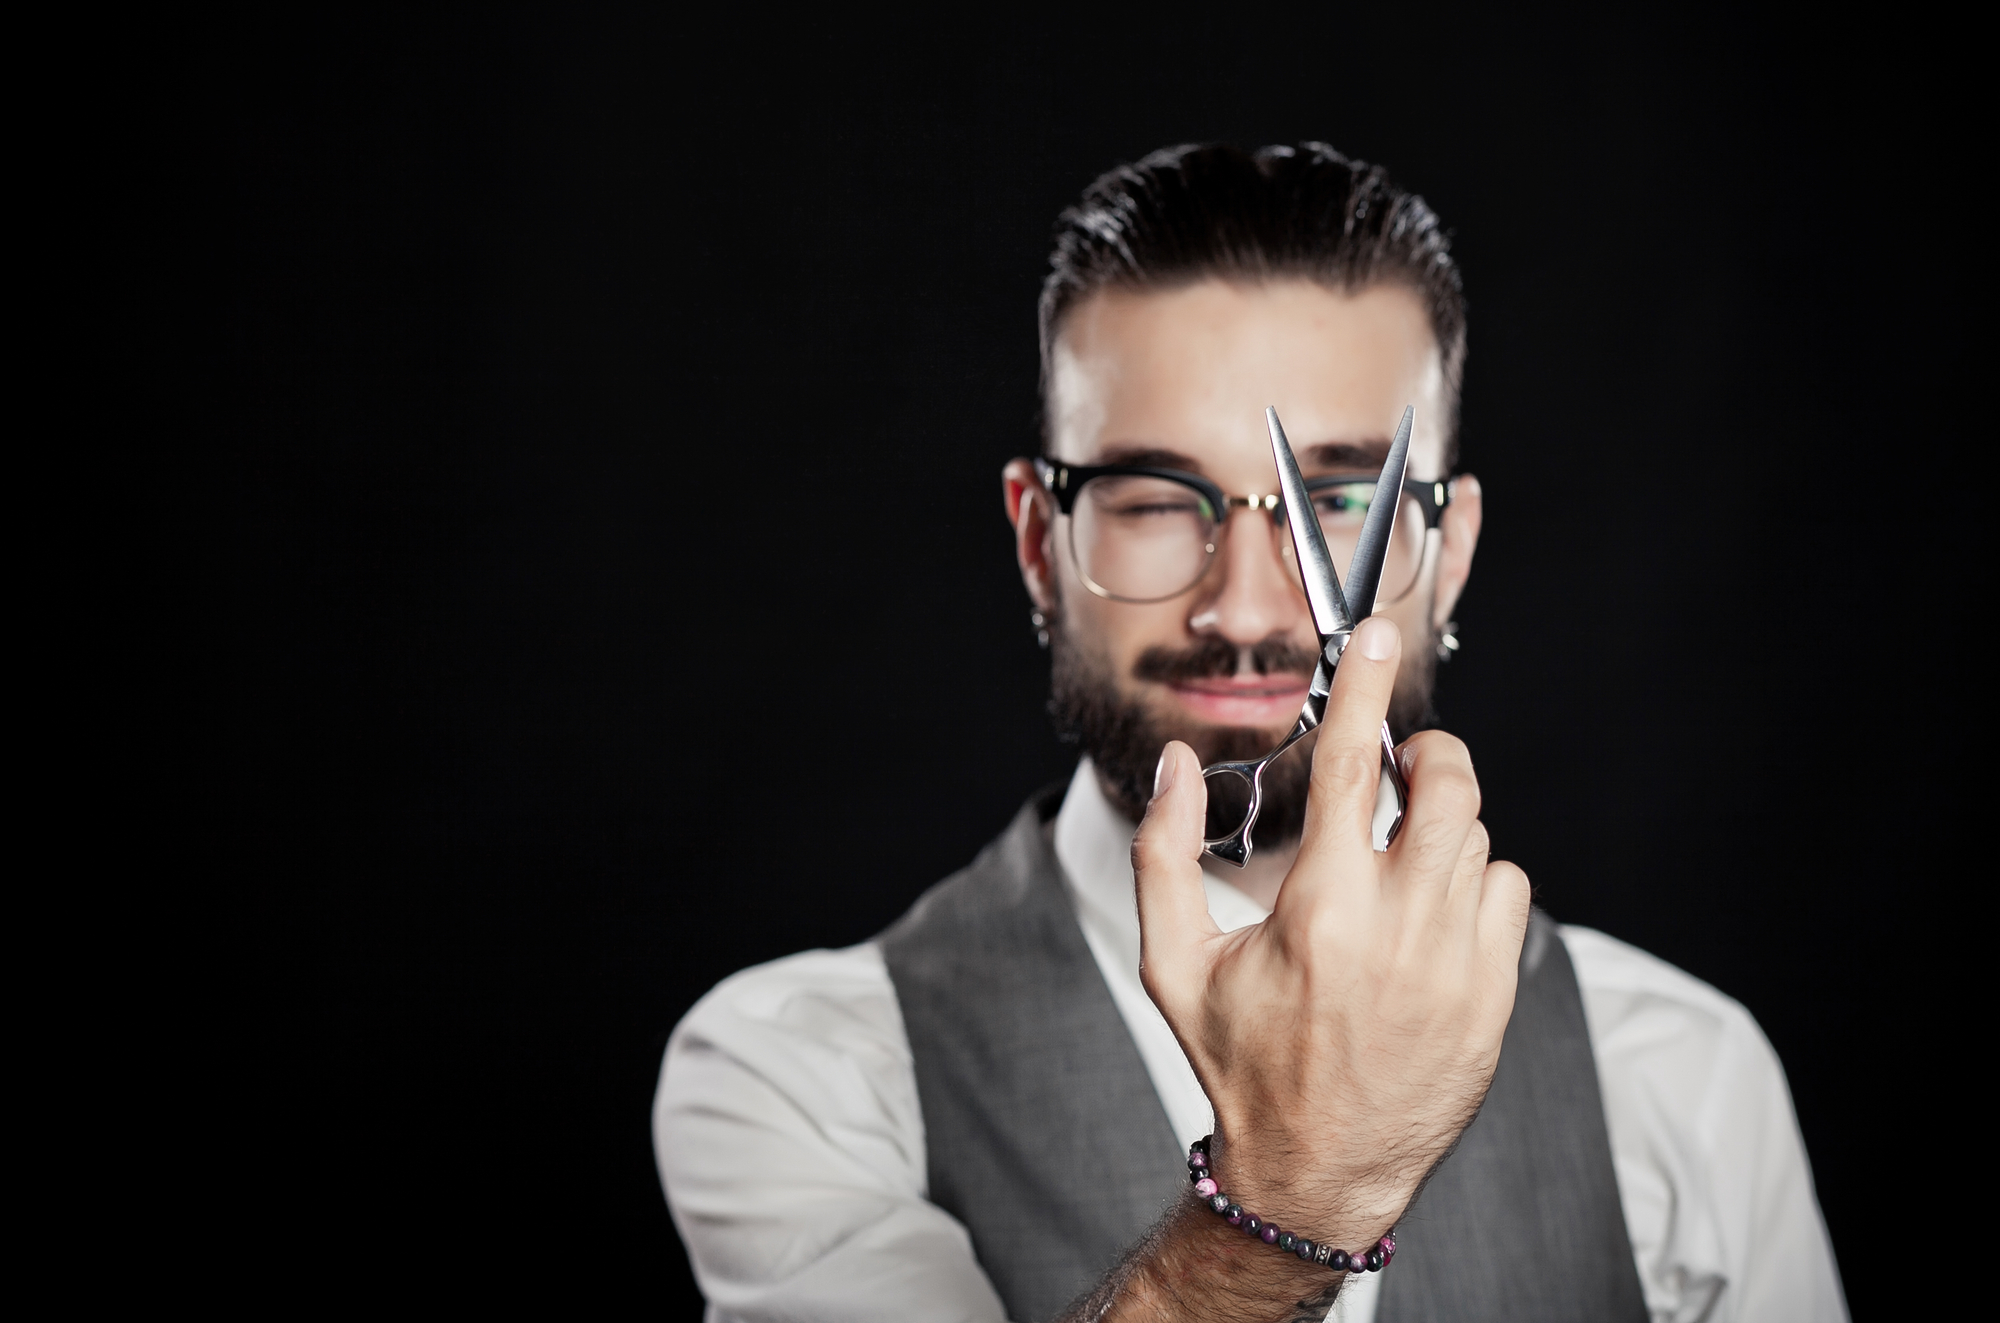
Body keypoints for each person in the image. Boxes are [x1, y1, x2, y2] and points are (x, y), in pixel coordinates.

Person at [653, 143, 1846, 1322]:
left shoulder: (1680, 1074)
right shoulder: (803, 1072)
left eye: (1339, 504)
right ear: (1037, 543)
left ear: (1451, 552)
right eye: (1157, 500)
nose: (1246, 608)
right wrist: (1281, 1208)